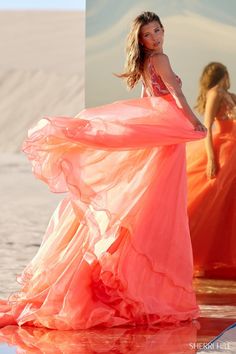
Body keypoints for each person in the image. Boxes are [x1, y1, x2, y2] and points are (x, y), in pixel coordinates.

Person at [0, 11, 206, 330]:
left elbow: (145, 103)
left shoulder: (146, 62)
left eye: (158, 31)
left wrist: (151, 131)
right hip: (168, 134)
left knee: (146, 205)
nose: (156, 37)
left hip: (162, 134)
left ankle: (134, 283)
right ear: (140, 40)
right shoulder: (160, 59)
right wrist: (194, 123)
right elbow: (174, 95)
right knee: (158, 208)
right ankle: (140, 287)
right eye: (149, 34)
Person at [187, 62, 236, 278]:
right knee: (213, 199)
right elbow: (207, 127)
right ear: (223, 74)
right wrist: (210, 158)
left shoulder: (229, 94)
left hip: (233, 147)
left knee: (228, 205)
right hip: (224, 148)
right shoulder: (215, 93)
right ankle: (193, 250)